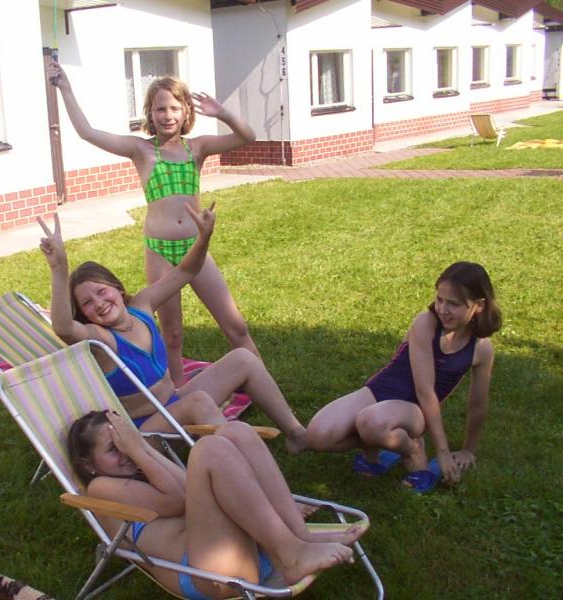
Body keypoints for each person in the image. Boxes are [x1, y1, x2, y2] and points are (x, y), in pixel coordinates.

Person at [48, 62, 258, 386]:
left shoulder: (197, 148)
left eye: (175, 108)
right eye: (160, 109)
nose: (168, 115)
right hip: (159, 252)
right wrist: (65, 88)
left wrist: (223, 113)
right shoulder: (141, 150)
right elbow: (87, 132)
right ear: (150, 112)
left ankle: (261, 381)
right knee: (171, 334)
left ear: (186, 111)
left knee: (236, 326)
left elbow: (247, 136)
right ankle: (177, 397)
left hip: (195, 248)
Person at [37, 210, 308, 454]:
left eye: (101, 291)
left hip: (175, 404)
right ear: (85, 314)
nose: (98, 303)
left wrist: (203, 237)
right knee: (198, 402)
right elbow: (63, 327)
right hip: (147, 434)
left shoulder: (141, 306)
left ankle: (297, 435)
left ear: (118, 288)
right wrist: (59, 268)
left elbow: (187, 270)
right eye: (87, 303)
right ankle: (247, 469)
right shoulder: (102, 340)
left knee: (243, 359)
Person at [68, 411, 362, 599]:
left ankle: (300, 538)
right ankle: (291, 556)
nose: (124, 453)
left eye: (124, 442)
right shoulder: (99, 488)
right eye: (113, 449)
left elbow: (187, 487)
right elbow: (177, 500)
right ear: (88, 464)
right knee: (209, 449)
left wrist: (141, 446)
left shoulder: (136, 471)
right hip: (211, 575)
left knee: (236, 431)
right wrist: (138, 449)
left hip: (240, 554)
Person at [305, 262, 502, 493]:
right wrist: (443, 451)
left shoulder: (481, 349)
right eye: (440, 299)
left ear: (479, 305)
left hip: (416, 409)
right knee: (317, 436)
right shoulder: (426, 323)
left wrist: (467, 450)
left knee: (372, 422)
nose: (443, 309)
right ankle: (378, 444)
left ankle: (412, 449)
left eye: (454, 304)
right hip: (379, 390)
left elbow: (474, 404)